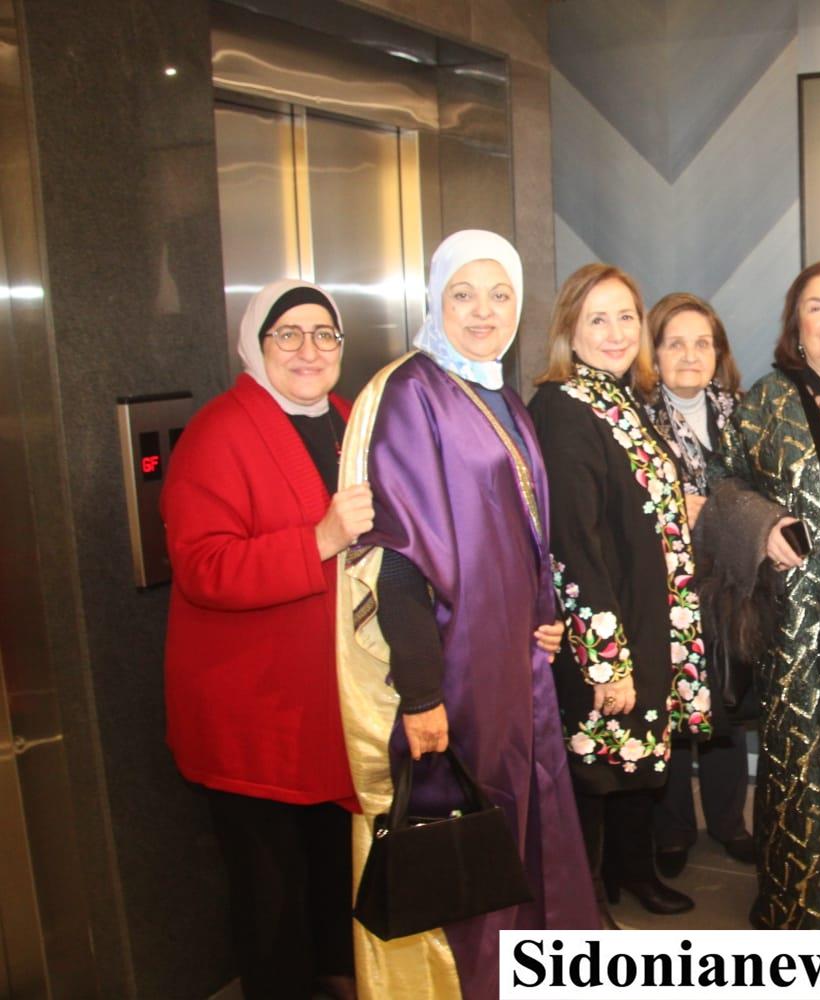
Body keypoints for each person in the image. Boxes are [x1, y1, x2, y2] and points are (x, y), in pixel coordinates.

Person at [336, 231, 596, 996]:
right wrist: (421, 694)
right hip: (453, 670)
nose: (483, 312)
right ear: (435, 301)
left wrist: (544, 614)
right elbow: (398, 558)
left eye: (500, 295)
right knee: (471, 845)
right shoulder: (411, 394)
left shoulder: (497, 391)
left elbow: (519, 528)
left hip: (512, 666)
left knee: (522, 828)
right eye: (463, 294)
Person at [162, 279, 366, 1000]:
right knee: (270, 890)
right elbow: (202, 568)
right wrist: (319, 540)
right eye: (289, 334)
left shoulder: (347, 418)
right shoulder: (218, 433)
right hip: (255, 710)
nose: (309, 350)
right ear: (256, 342)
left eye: (324, 334)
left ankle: (338, 977)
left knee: (330, 866)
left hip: (330, 702)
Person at [529, 264, 711, 921]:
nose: (614, 332)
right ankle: (581, 906)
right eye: (597, 319)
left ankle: (632, 873)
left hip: (646, 617)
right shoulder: (562, 407)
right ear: (570, 330)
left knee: (635, 760)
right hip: (603, 631)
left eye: (626, 317)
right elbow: (572, 545)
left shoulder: (620, 396)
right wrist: (606, 662)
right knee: (593, 772)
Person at [715, 259, 820, 929]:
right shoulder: (764, 402)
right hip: (791, 622)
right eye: (816, 306)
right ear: (796, 324)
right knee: (795, 763)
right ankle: (796, 909)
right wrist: (762, 525)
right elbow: (721, 486)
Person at [638, 292, 756, 875]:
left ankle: (730, 822)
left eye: (702, 343)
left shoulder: (743, 415)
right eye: (675, 343)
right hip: (661, 591)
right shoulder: (634, 420)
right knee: (671, 712)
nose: (690, 355)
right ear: (653, 353)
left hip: (731, 589)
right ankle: (674, 830)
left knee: (725, 710)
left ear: (718, 352)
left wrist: (714, 511)